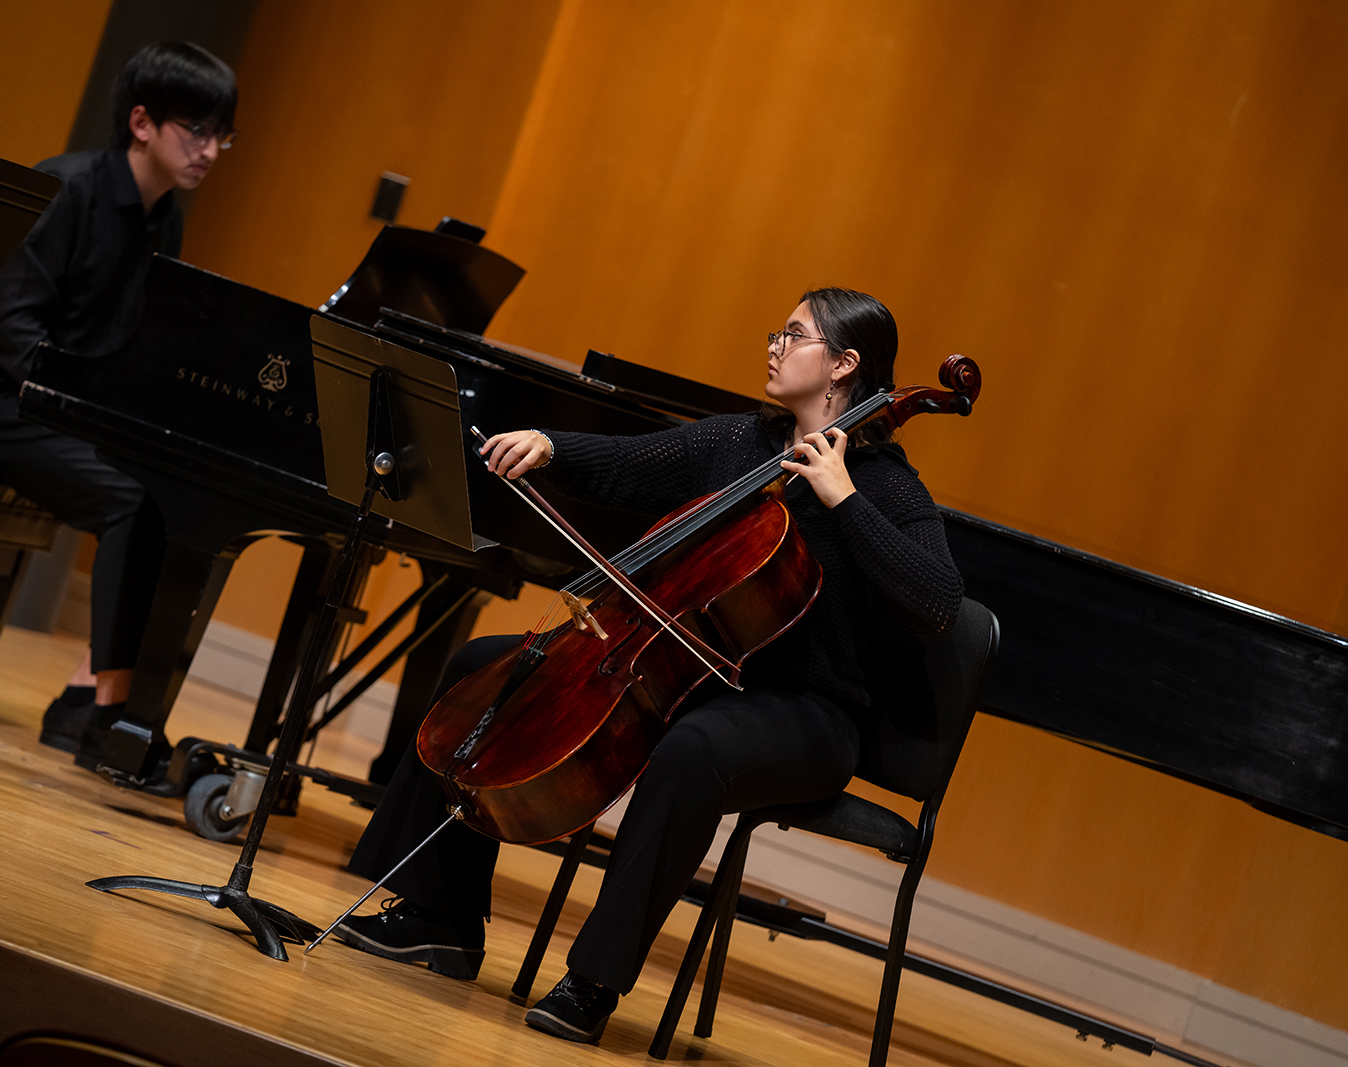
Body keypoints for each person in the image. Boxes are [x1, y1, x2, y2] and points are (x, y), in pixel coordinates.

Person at [332, 287, 964, 1044]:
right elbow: (633, 463)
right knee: (483, 664)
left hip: (808, 713)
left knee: (691, 753)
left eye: (792, 335)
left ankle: (594, 980)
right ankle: (439, 916)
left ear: (843, 364)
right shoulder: (745, 441)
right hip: (693, 675)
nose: (772, 344)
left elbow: (938, 600)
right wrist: (551, 445)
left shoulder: (888, 485)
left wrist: (845, 498)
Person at [0, 42, 237, 755]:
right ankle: (108, 707)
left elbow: (132, 341)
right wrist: (90, 420)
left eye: (222, 135)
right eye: (197, 130)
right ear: (143, 122)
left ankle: (91, 693)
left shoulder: (165, 218)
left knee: (170, 497)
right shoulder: (67, 189)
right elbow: (9, 329)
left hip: (46, 403)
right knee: (128, 500)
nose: (211, 151)